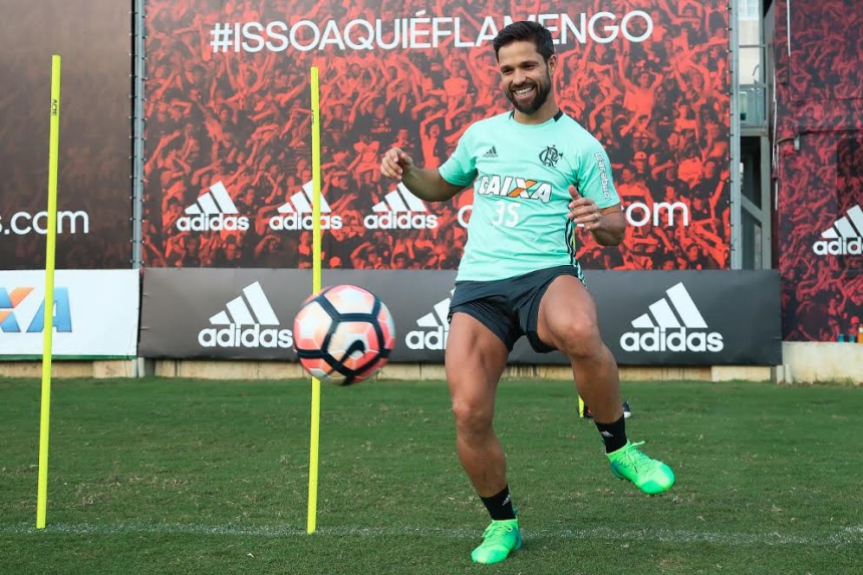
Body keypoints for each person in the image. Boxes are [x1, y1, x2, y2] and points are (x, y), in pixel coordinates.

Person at [379, 21, 675, 565]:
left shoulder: (581, 145)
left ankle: (621, 449)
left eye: (527, 66)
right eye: (507, 70)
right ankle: (503, 524)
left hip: (546, 274)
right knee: (468, 411)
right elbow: (439, 188)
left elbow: (614, 227)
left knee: (581, 330)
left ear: (551, 66)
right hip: (479, 286)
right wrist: (406, 172)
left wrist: (596, 220)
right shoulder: (481, 134)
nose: (518, 78)